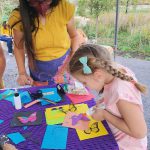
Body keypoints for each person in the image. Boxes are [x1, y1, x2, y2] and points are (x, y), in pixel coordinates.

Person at [69, 44, 147, 149]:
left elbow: (139, 132)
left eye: (84, 82)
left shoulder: (121, 92)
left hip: (127, 145)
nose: (83, 86)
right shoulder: (112, 72)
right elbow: (111, 95)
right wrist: (103, 101)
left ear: (98, 75)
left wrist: (105, 115)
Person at [8, 0, 79, 86]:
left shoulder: (64, 7)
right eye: (36, 3)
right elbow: (18, 47)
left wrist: (71, 59)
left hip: (65, 65)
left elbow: (74, 36)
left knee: (65, 96)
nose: (42, 7)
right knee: (43, 97)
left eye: (46, 2)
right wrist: (22, 73)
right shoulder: (19, 16)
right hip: (38, 70)